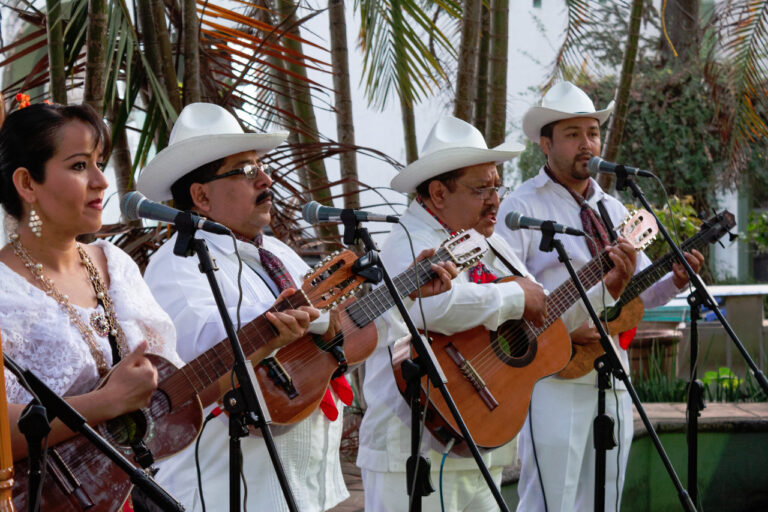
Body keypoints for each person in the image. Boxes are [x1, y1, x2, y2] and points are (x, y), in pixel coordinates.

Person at [137, 102, 457, 511]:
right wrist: (310, 325)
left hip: (306, 484)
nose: (266, 179)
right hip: (229, 491)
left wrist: (405, 295)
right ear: (201, 196)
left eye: (261, 166)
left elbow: (338, 338)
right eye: (248, 170)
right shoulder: (176, 264)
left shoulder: (278, 252)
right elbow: (214, 350)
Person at [356, 115, 639, 512]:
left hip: (480, 442)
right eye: (480, 189)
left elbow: (545, 316)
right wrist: (511, 299)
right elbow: (430, 308)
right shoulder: (409, 241)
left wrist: (606, 290)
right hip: (410, 450)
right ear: (438, 193)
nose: (495, 200)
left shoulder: (490, 244)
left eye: (496, 186)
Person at [496, 81, 705, 512]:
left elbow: (639, 292)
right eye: (572, 135)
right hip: (551, 373)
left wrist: (676, 279)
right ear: (545, 144)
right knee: (550, 500)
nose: (587, 144)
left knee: (606, 498)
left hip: (611, 369)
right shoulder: (519, 207)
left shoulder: (613, 208)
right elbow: (509, 296)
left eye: (592, 133)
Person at [0, 103, 180, 508]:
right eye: (80, 165)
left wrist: (265, 341)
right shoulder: (4, 290)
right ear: (28, 183)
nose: (101, 181)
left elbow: (173, 389)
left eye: (99, 163)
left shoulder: (115, 265)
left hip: (133, 494)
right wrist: (104, 401)